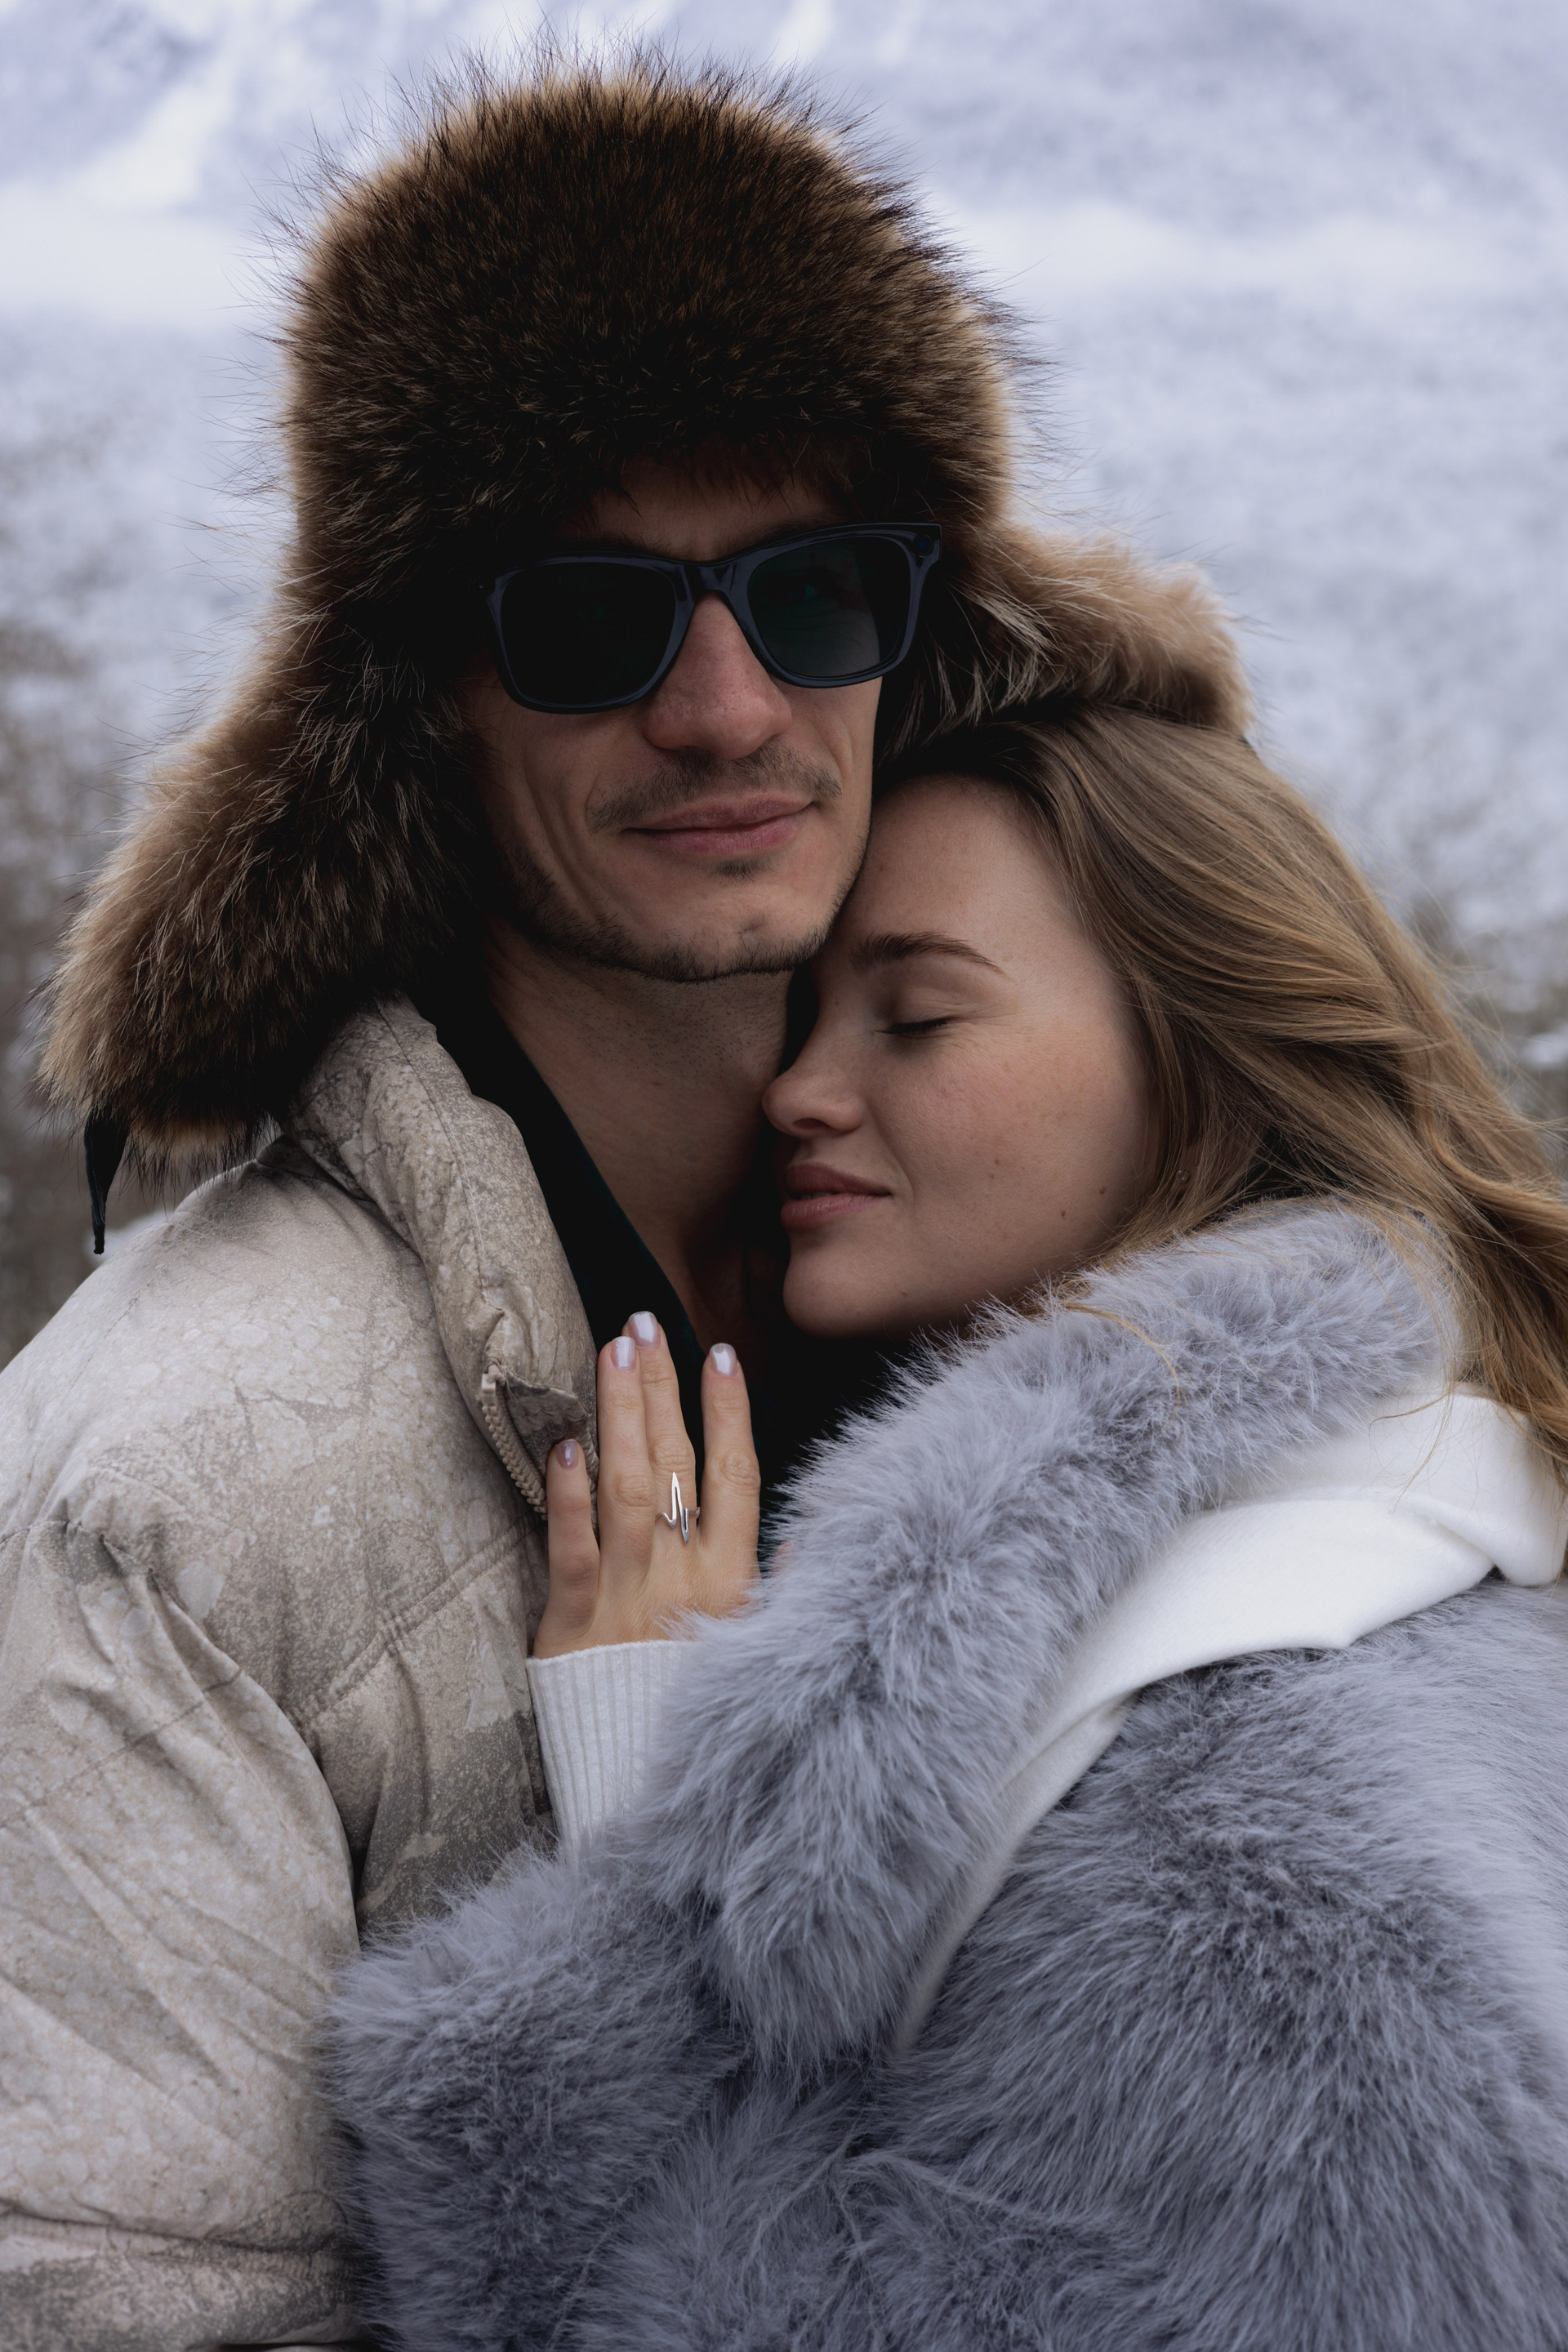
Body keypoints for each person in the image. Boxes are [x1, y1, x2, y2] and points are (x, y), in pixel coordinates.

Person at [0, 49, 1250, 2352]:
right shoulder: (177, 1482)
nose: (725, 707)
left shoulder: (1092, 1294)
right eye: (591, 621)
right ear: (425, 693)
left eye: (814, 591)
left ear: (909, 624)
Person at [335, 699, 1568, 2350]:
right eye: (803, 1017)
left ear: (1200, 1060)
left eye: (914, 1017)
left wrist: (647, 1822)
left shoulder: (1268, 1856)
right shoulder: (1410, 1533)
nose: (797, 1091)